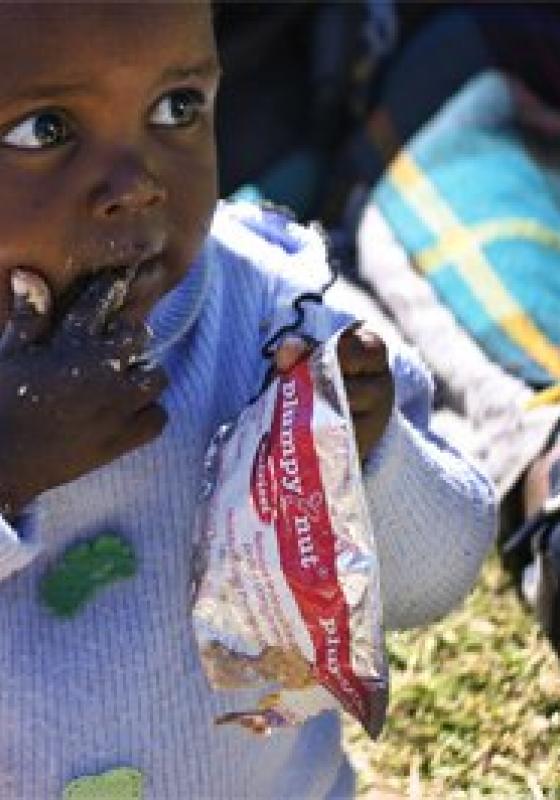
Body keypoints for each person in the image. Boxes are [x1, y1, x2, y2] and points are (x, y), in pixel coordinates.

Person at [0, 3, 495, 799]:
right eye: (44, 130)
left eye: (177, 108)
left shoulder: (276, 314)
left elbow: (437, 579)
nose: (135, 185)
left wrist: (372, 461)